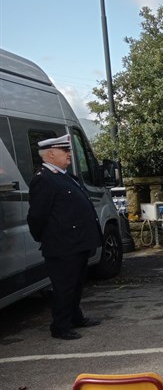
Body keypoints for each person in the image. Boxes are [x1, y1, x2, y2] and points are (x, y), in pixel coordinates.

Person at [27, 134, 103, 340]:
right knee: (64, 286)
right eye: (65, 151)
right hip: (61, 245)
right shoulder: (44, 179)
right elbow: (37, 215)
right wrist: (46, 238)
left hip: (75, 243)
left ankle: (75, 317)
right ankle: (60, 326)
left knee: (76, 284)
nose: (69, 155)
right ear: (51, 154)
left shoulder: (63, 175)